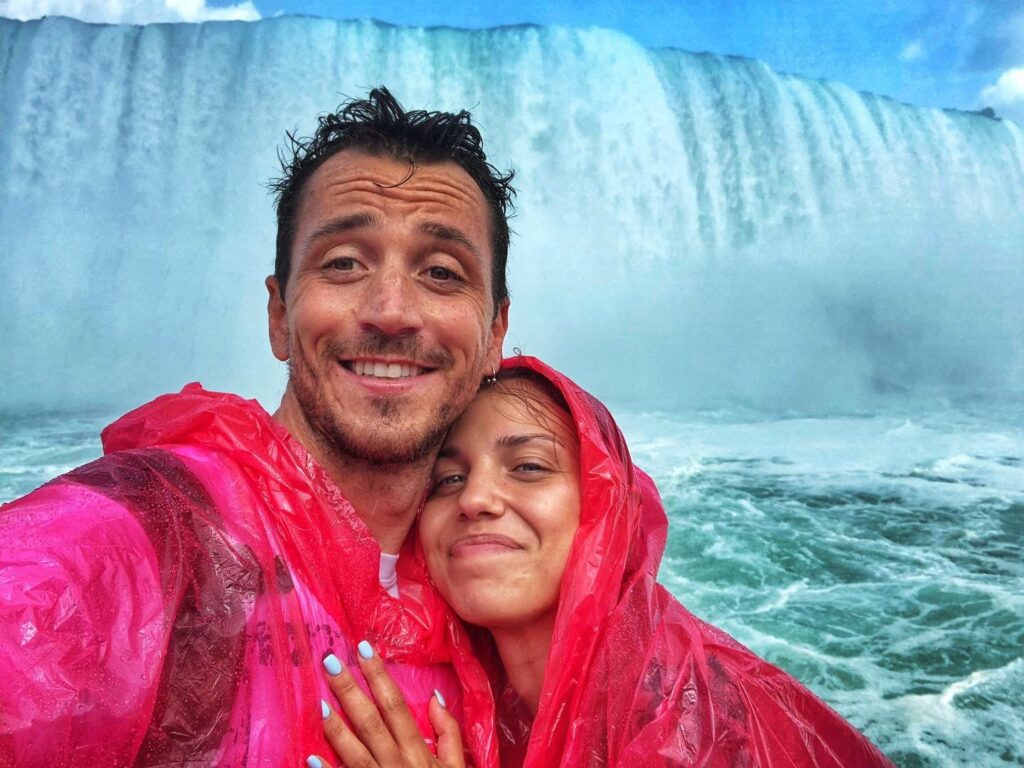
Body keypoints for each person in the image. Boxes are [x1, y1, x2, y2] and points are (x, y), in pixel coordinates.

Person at [0, 87, 511, 767]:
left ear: (495, 334)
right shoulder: (154, 531)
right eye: (344, 264)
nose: (391, 311)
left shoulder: (512, 589)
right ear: (279, 315)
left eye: (442, 273)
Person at [312, 356, 896, 768]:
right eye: (447, 479)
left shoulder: (691, 722)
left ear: (605, 507)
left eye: (530, 467)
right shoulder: (486, 704)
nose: (475, 499)